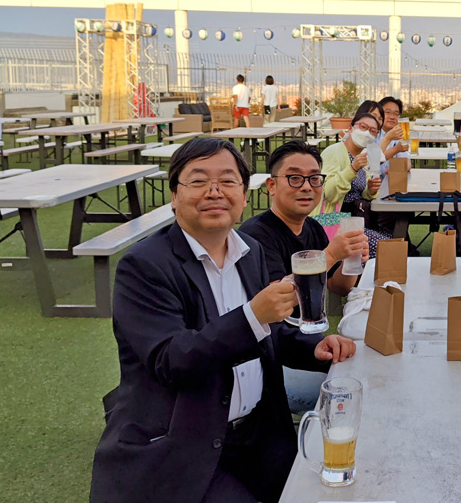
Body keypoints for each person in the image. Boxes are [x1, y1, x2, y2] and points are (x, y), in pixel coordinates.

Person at [90, 138, 357, 503]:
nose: (214, 192)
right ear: (174, 195)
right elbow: (171, 359)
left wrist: (315, 347)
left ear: (244, 196)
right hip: (187, 444)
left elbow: (267, 334)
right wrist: (253, 315)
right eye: (199, 181)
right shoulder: (144, 266)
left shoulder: (249, 251)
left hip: (260, 434)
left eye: (228, 181)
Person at [238, 141, 370, 414]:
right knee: (352, 395)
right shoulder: (255, 235)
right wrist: (330, 254)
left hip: (310, 344)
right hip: (271, 357)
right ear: (271, 185)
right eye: (295, 178)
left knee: (364, 372)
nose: (307, 187)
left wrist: (352, 260)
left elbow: (337, 287)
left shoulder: (312, 227)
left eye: (314, 178)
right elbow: (278, 300)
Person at [320, 112, 391, 257]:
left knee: (392, 236)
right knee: (386, 247)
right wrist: (352, 168)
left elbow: (360, 192)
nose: (367, 133)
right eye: (363, 127)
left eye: (373, 131)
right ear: (350, 128)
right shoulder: (334, 152)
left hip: (357, 219)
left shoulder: (362, 156)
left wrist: (370, 190)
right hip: (336, 221)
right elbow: (328, 193)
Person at [376, 96, 408, 173]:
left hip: (390, 178)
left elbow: (406, 161)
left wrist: (399, 168)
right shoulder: (372, 133)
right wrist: (396, 149)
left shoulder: (398, 135)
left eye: (396, 114)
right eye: (387, 112)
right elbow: (371, 162)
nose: (392, 117)